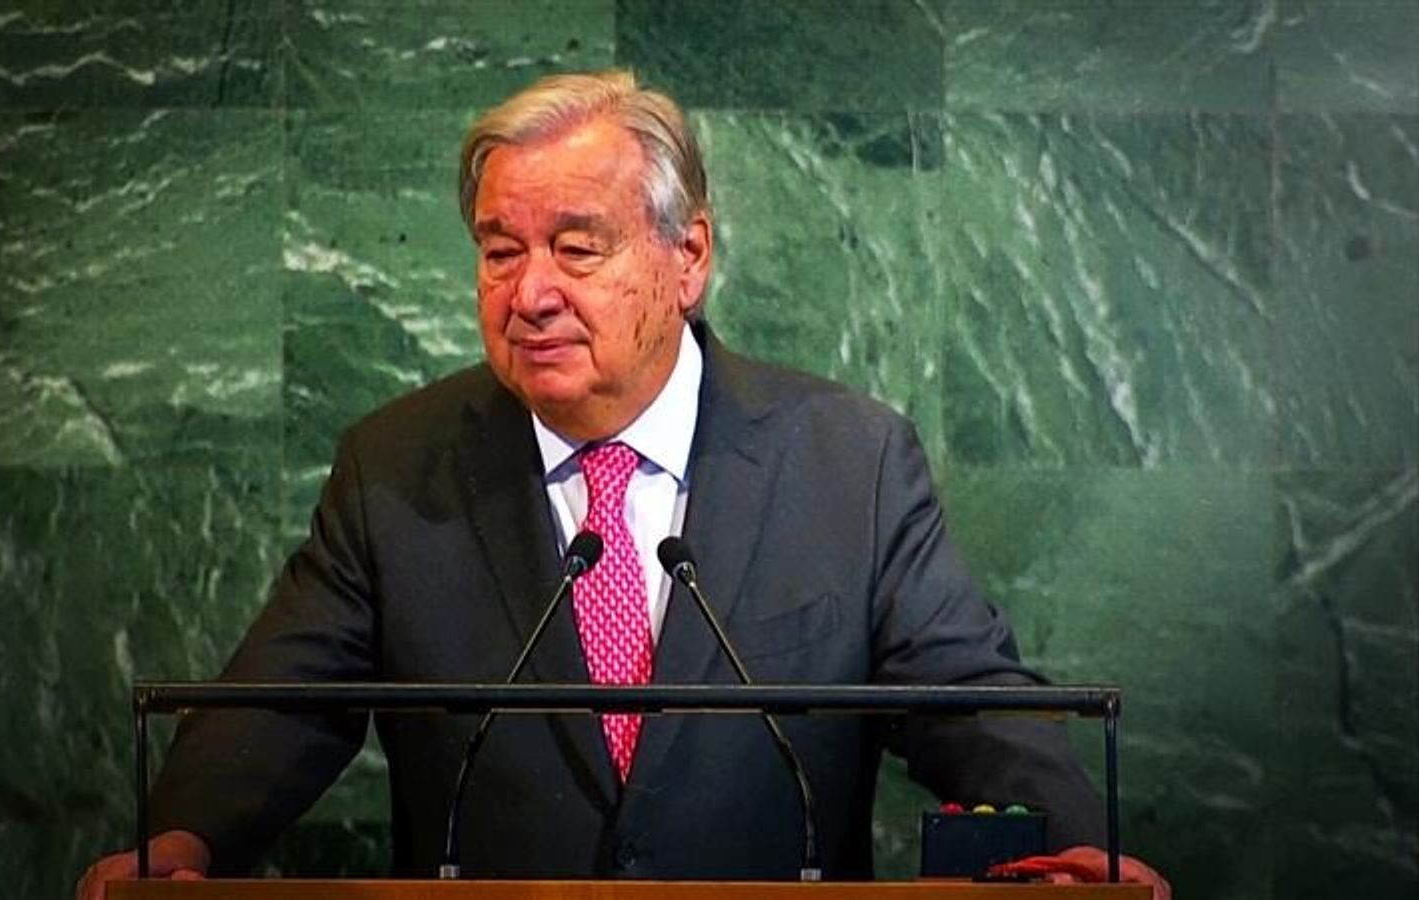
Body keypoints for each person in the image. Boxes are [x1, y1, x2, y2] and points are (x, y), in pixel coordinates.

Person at [78, 70, 1170, 899]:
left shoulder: (849, 461)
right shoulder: (397, 466)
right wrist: (180, 841)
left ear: (687, 258)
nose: (530, 293)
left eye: (577, 248)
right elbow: (280, 705)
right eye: (500, 252)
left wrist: (1084, 844)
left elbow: (965, 695)